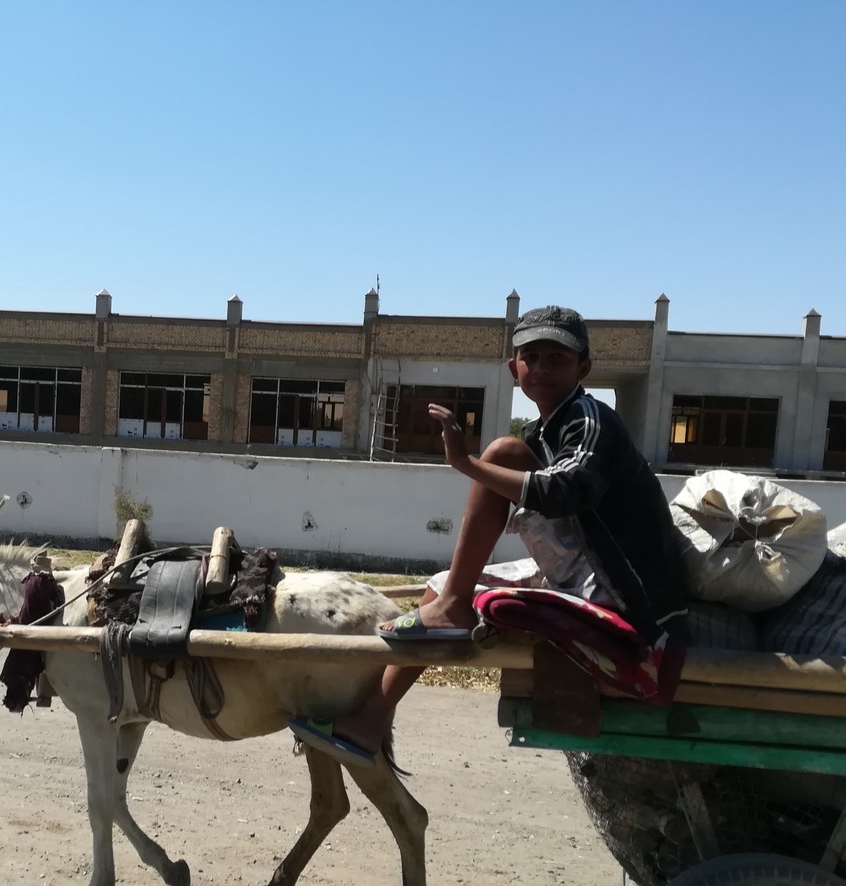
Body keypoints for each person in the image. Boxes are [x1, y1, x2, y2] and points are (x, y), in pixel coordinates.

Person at [289, 305, 688, 767]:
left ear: (584, 368)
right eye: (531, 357)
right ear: (514, 369)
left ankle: (449, 610)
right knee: (441, 585)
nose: (540, 368)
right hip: (589, 567)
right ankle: (369, 720)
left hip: (623, 589)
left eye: (557, 358)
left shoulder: (589, 418)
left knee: (502, 453)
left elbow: (569, 490)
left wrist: (468, 464)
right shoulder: (546, 429)